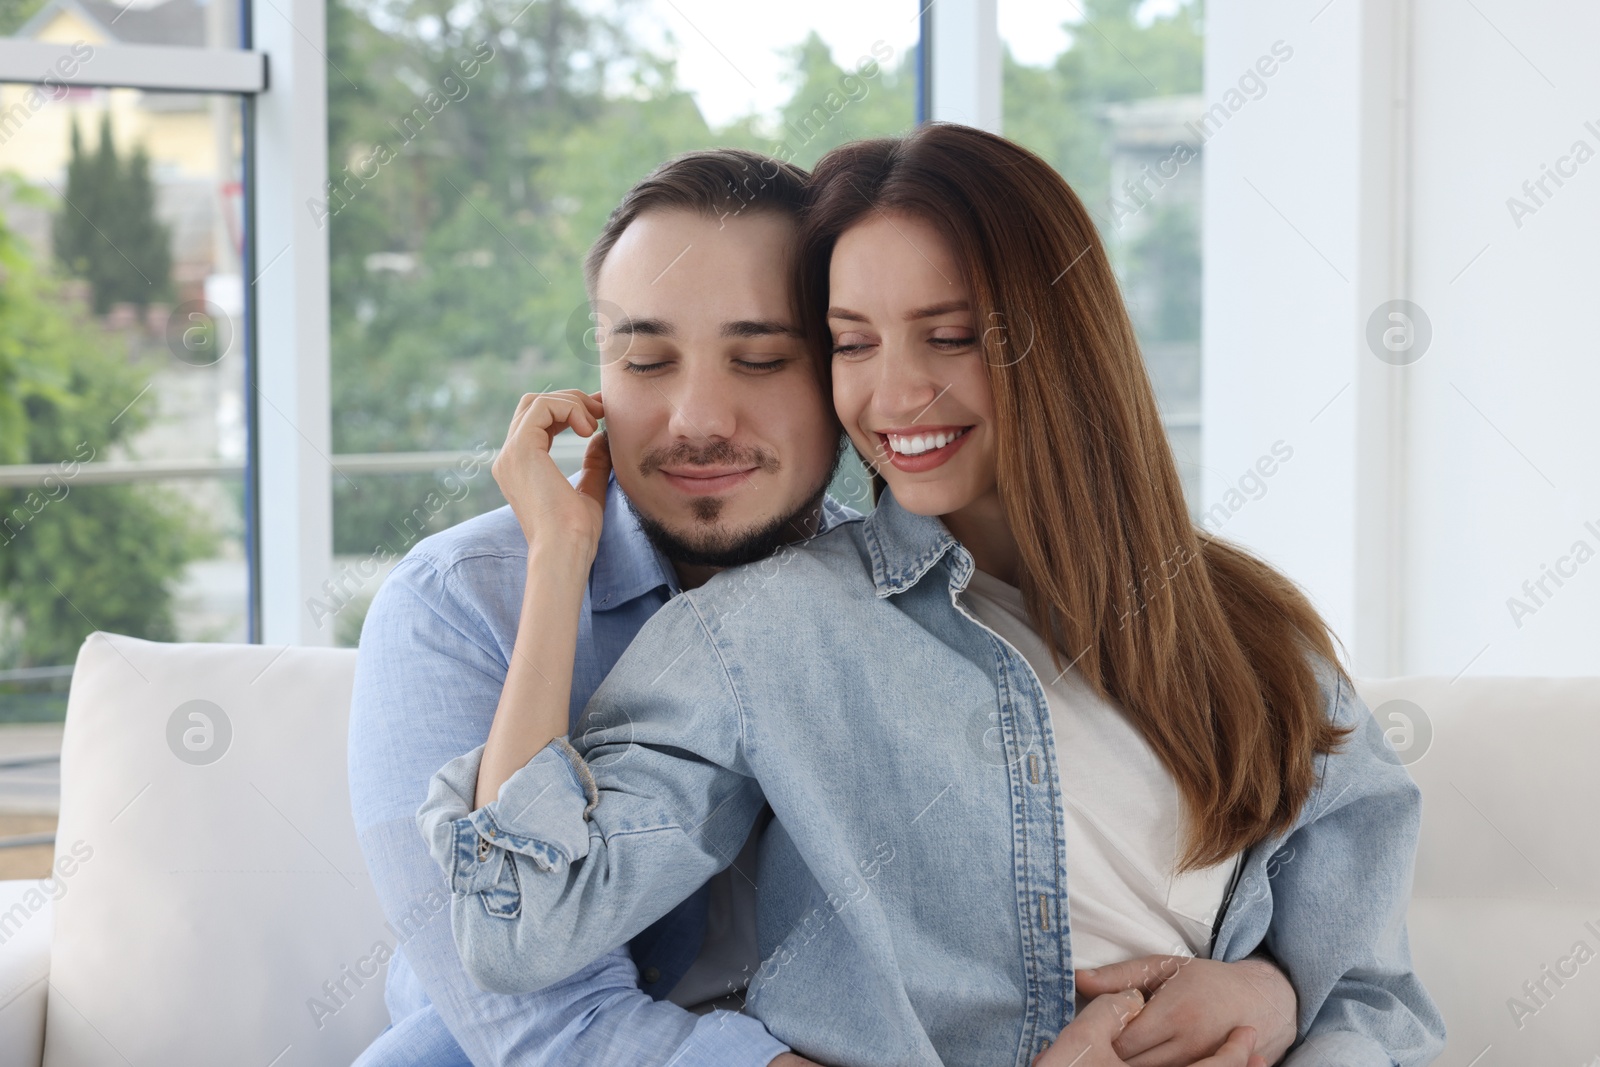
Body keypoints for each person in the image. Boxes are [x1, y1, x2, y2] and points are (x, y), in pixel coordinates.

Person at [416, 124, 1445, 1066]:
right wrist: (558, 560)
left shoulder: (1248, 628)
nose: (895, 394)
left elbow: (1373, 998)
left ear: (1058, 339)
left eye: (947, 336)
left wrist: (1274, 994)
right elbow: (516, 925)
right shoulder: (765, 634)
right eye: (852, 342)